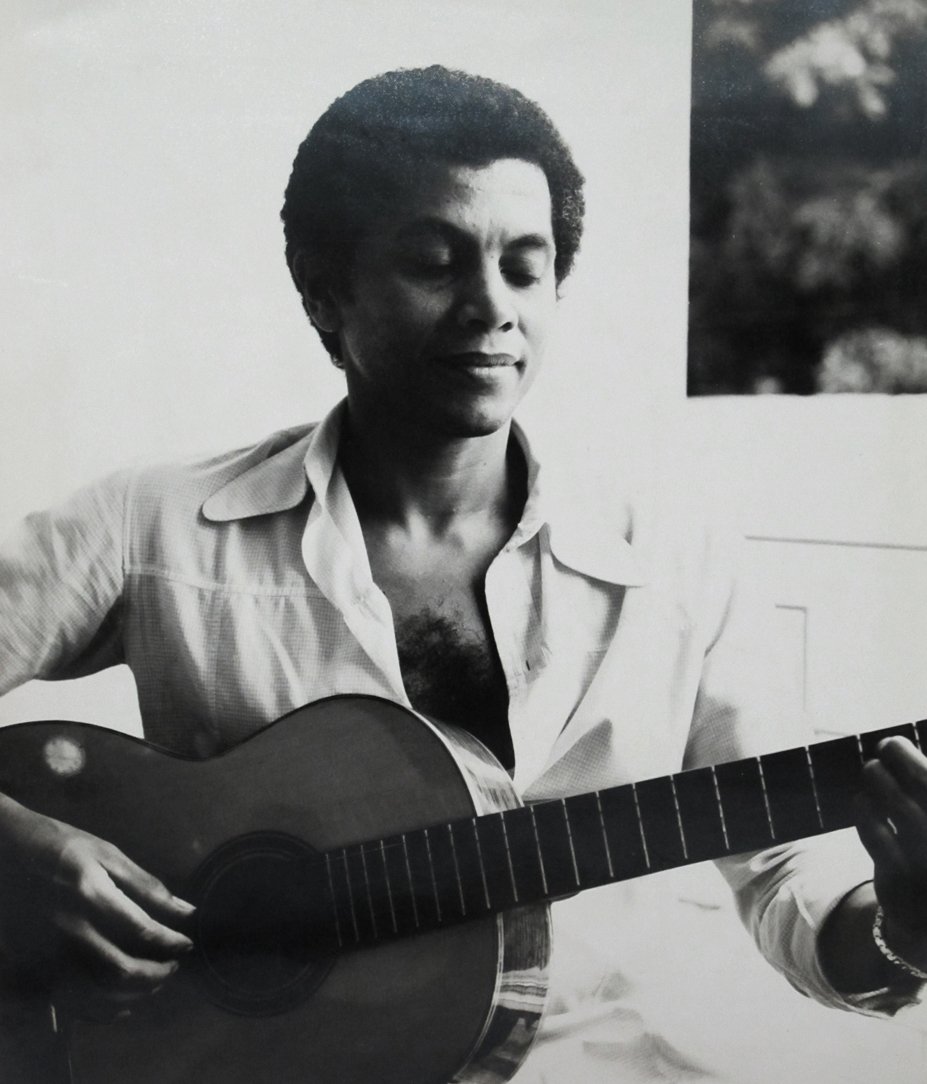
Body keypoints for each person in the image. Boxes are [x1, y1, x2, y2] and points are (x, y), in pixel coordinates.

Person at [1, 65, 926, 1082]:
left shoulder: (678, 564)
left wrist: (907, 931)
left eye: (525, 268)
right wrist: (23, 852)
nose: (492, 307)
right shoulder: (150, 525)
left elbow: (791, 876)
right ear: (323, 291)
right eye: (435, 263)